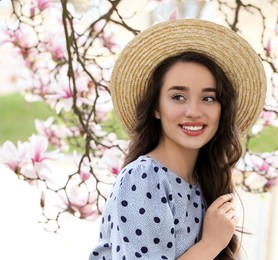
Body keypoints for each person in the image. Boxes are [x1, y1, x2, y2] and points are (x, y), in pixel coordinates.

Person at [89, 19, 266, 260]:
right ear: (156, 108)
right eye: (178, 96)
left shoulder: (202, 182)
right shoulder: (144, 178)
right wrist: (210, 244)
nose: (194, 111)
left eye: (209, 98)